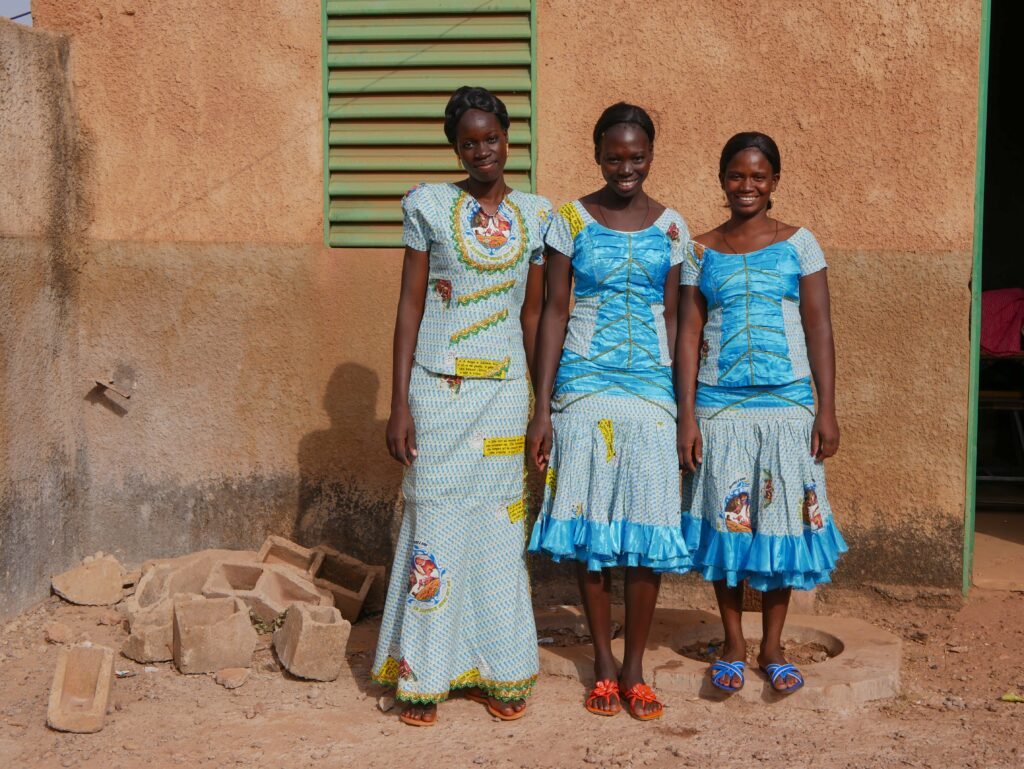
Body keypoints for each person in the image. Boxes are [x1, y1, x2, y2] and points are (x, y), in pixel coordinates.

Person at [371, 86, 552, 726]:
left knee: (499, 531)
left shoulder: (537, 215)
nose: (482, 151)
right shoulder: (428, 206)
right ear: (455, 148)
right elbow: (410, 306)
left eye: (491, 138)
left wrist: (542, 405)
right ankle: (423, 677)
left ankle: (497, 670)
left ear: (508, 138)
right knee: (437, 525)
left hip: (504, 395)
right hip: (437, 392)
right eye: (469, 142)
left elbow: (534, 316)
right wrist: (400, 403)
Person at [527, 103, 692, 720]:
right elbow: (554, 311)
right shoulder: (568, 220)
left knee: (649, 529)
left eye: (637, 156)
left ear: (652, 155)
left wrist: (683, 409)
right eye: (614, 157)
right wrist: (542, 408)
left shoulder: (673, 227)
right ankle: (602, 662)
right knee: (592, 529)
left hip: (651, 391)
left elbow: (675, 320)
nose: (626, 168)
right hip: (583, 388)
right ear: (597, 155)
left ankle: (635, 667)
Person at [676, 132, 847, 695]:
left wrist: (826, 409)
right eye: (736, 175)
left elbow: (819, 326)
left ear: (774, 181)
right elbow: (689, 333)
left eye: (758, 176)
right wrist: (687, 415)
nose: (746, 186)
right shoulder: (699, 250)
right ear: (721, 179)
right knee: (729, 525)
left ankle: (772, 648)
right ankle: (732, 644)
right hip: (719, 406)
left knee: (780, 524)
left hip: (787, 405)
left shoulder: (801, 244)